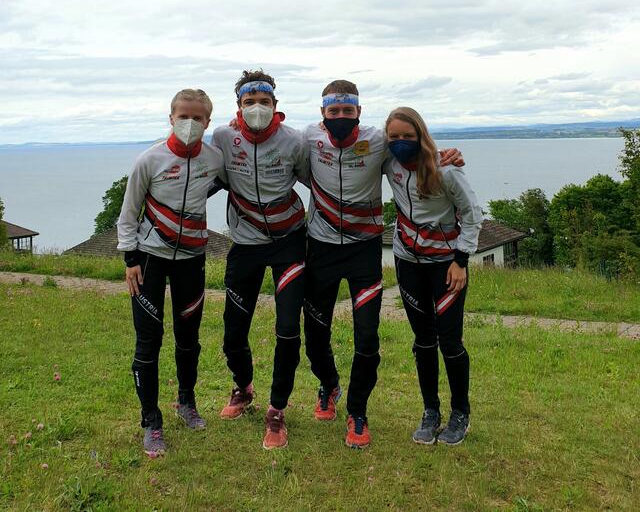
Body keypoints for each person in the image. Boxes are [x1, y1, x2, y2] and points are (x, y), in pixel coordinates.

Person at [302, 81, 463, 448]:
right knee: (314, 335)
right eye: (334, 110)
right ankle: (328, 385)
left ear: (359, 110)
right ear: (322, 111)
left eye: (348, 110)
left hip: (363, 251)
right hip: (321, 250)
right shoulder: (308, 139)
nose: (341, 116)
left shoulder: (378, 142)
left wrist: (444, 156)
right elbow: (290, 166)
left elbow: (413, 159)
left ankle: (358, 412)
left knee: (368, 338)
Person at [117, 89, 224, 456]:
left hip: (192, 259)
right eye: (183, 116)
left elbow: (223, 182)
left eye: (198, 118)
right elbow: (128, 213)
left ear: (208, 122)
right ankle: (151, 420)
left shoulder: (214, 158)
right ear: (171, 117)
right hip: (149, 259)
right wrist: (129, 259)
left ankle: (186, 402)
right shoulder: (149, 159)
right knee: (149, 341)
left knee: (188, 338)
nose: (190, 123)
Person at [212, 70, 309, 450]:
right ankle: (244, 387)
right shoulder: (222, 138)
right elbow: (203, 174)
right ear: (238, 106)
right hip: (245, 244)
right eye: (249, 102)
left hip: (289, 243)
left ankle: (277, 410)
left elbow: (316, 183)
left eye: (264, 102)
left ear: (275, 105)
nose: (257, 108)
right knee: (234, 330)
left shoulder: (294, 141)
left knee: (287, 328)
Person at [383, 106, 482, 446]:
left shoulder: (446, 171)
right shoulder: (389, 162)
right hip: (407, 262)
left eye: (407, 137)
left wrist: (461, 260)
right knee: (422, 340)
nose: (400, 143)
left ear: (421, 136)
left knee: (450, 340)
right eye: (393, 137)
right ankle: (430, 411)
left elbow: (473, 214)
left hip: (445, 265)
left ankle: (461, 413)